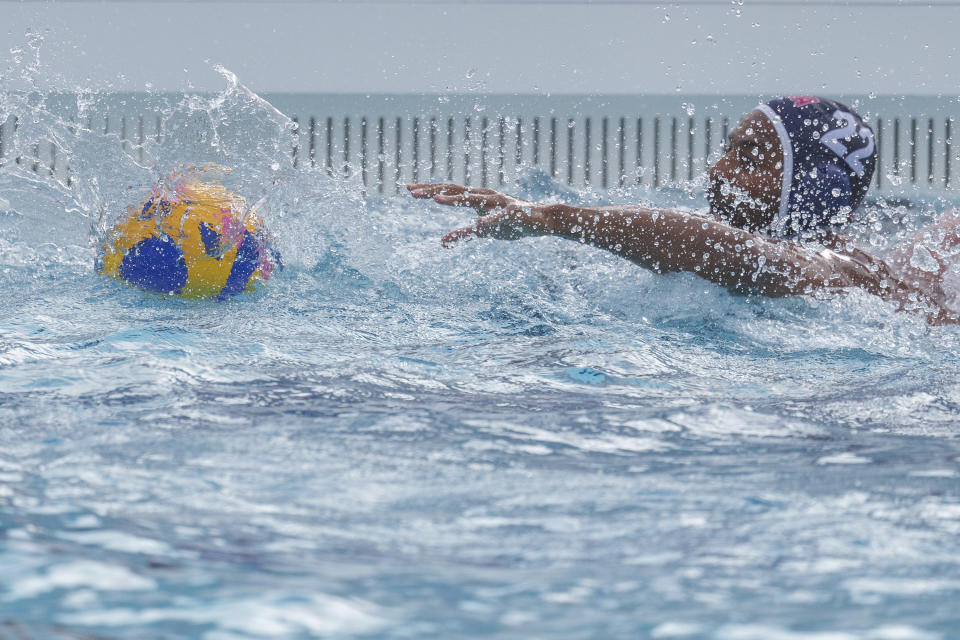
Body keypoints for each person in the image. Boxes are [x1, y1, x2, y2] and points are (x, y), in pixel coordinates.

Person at [408, 96, 960, 325]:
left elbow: (750, 259)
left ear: (811, 183)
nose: (719, 172)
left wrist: (557, 219)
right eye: (726, 151)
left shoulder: (842, 271)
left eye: (748, 156)